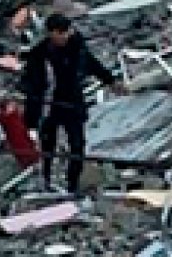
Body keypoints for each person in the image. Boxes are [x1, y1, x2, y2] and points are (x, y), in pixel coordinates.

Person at [20, 13, 121, 195]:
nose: (66, 36)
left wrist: (111, 82)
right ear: (51, 33)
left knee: (77, 145)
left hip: (73, 104)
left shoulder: (77, 48)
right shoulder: (39, 55)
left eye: (67, 32)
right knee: (48, 146)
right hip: (50, 106)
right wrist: (32, 111)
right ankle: (47, 180)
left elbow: (93, 65)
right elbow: (29, 83)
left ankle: (72, 184)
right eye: (61, 32)